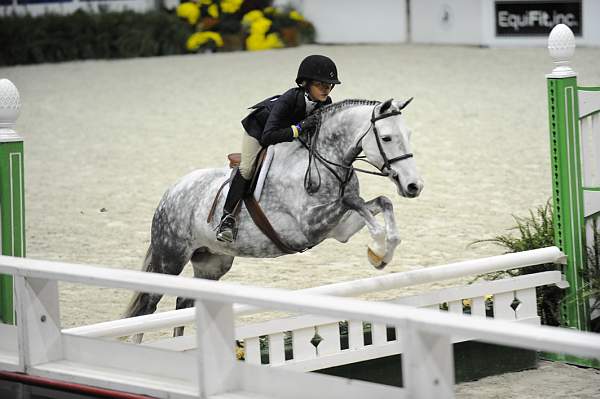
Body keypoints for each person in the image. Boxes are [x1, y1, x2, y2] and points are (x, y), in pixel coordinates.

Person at [216, 54, 341, 243]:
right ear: (305, 83)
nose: (326, 89)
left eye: (329, 85)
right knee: (247, 168)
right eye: (320, 84)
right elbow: (269, 136)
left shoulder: (326, 102)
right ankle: (227, 219)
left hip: (285, 135)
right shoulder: (290, 98)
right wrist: (299, 128)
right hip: (259, 131)